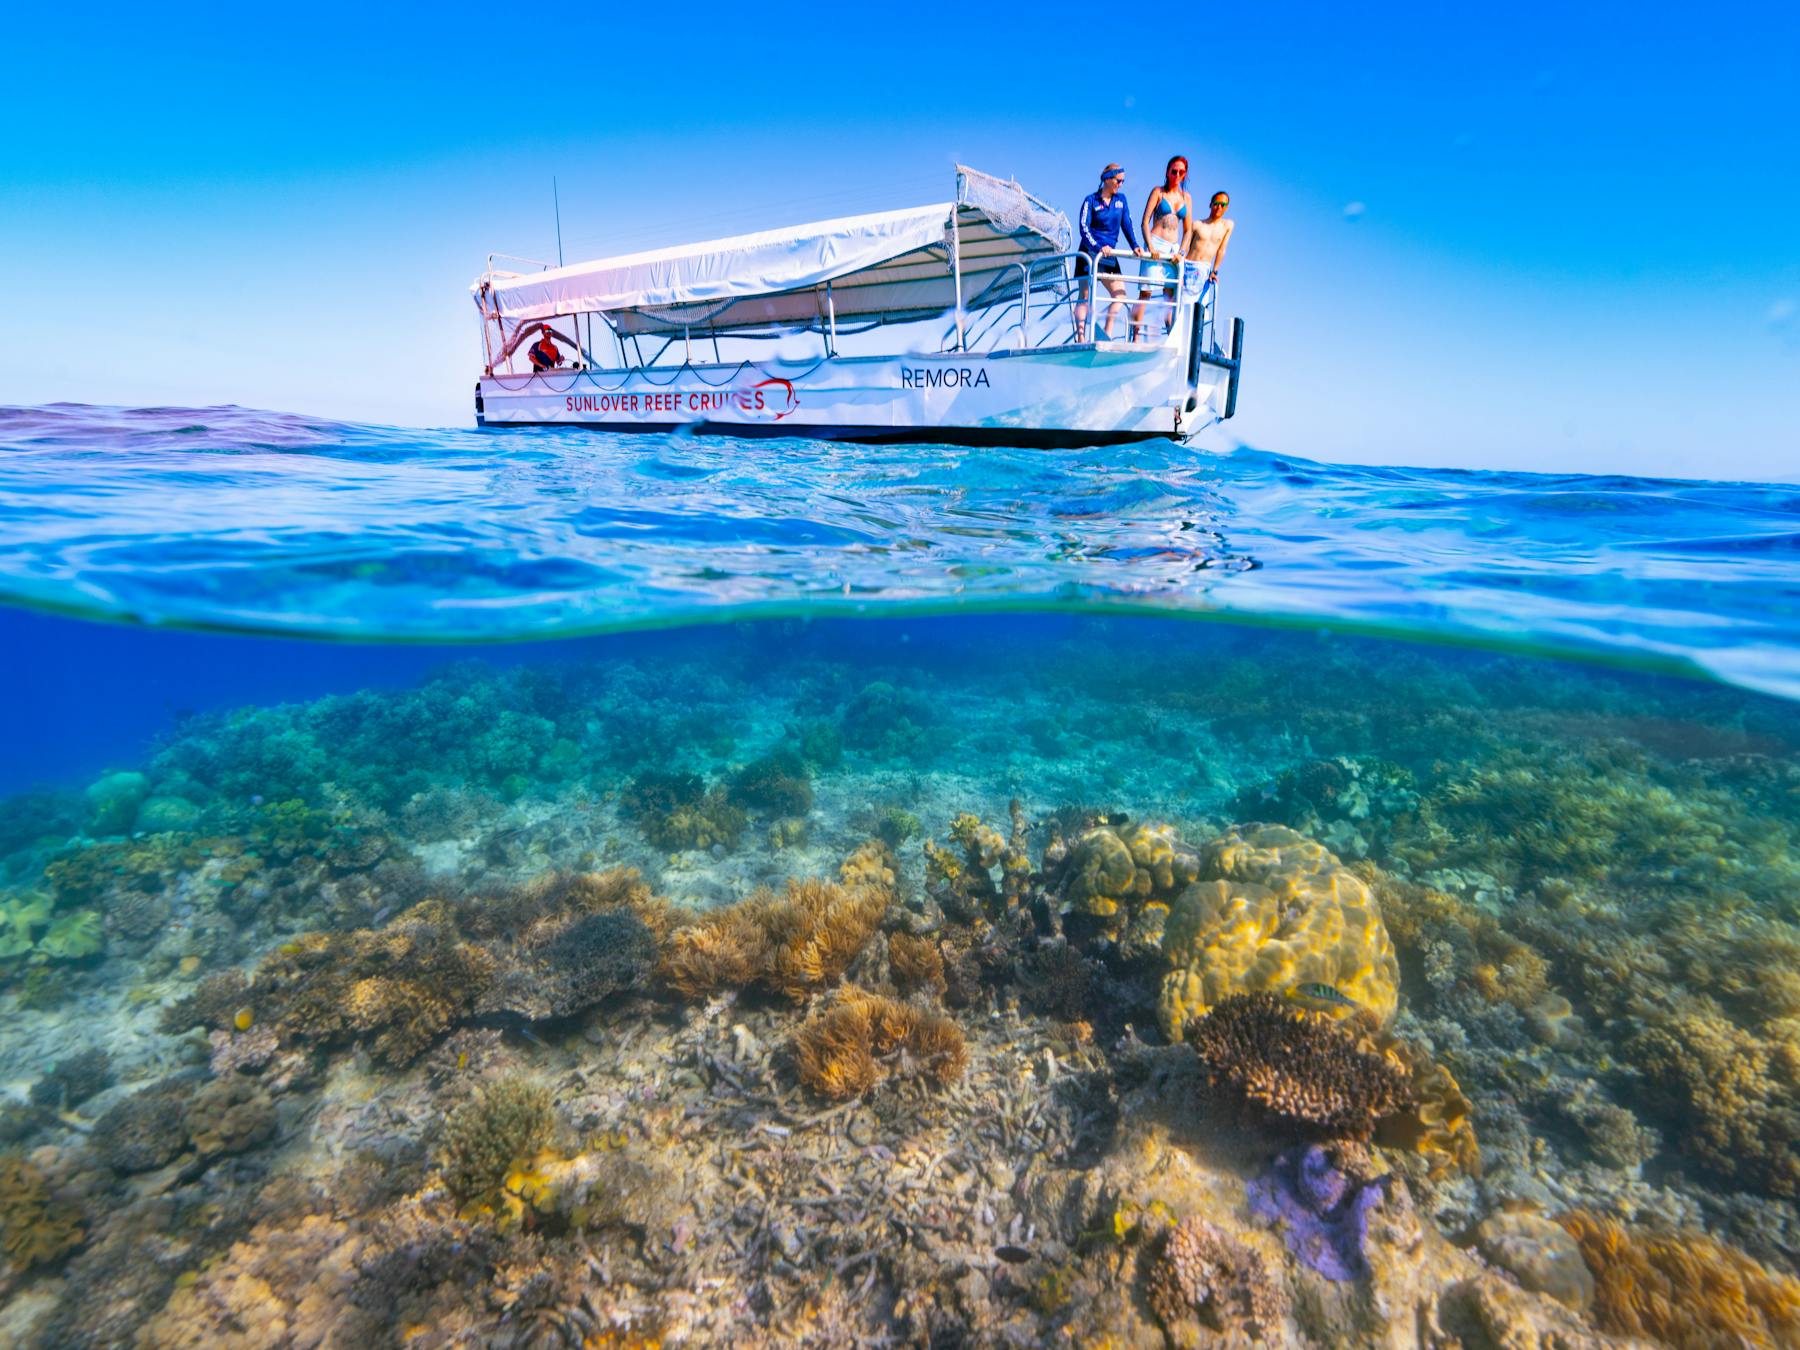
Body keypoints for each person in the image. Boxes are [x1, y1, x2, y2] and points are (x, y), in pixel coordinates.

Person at [1073, 164, 1146, 342]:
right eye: (1118, 180)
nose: (1121, 184)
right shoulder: (1090, 200)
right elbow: (1083, 228)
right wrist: (1097, 247)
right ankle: (1081, 336)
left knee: (1120, 295)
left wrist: (1135, 245)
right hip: (1089, 252)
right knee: (1084, 295)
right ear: (1107, 179)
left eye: (1123, 181)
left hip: (1109, 255)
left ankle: (1106, 332)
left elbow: (1127, 224)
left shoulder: (1121, 200)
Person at [1131, 155, 1192, 341]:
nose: (1177, 175)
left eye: (1181, 172)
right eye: (1174, 171)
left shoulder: (1186, 198)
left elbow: (1188, 230)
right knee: (1146, 292)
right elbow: (1144, 221)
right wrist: (1150, 247)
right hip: (1155, 243)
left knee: (1169, 294)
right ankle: (1135, 335)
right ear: (1167, 172)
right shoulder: (1158, 192)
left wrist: (1181, 253)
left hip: (1173, 248)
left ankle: (1170, 337)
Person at [1184, 190, 1234, 305]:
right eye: (1216, 203)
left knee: (1199, 309)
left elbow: (1221, 250)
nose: (1219, 207)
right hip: (1188, 266)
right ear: (1210, 204)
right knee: (1181, 306)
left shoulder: (1227, 225)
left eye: (1223, 205)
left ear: (1226, 207)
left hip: (1205, 270)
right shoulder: (1197, 224)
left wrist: (1214, 271)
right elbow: (1185, 248)